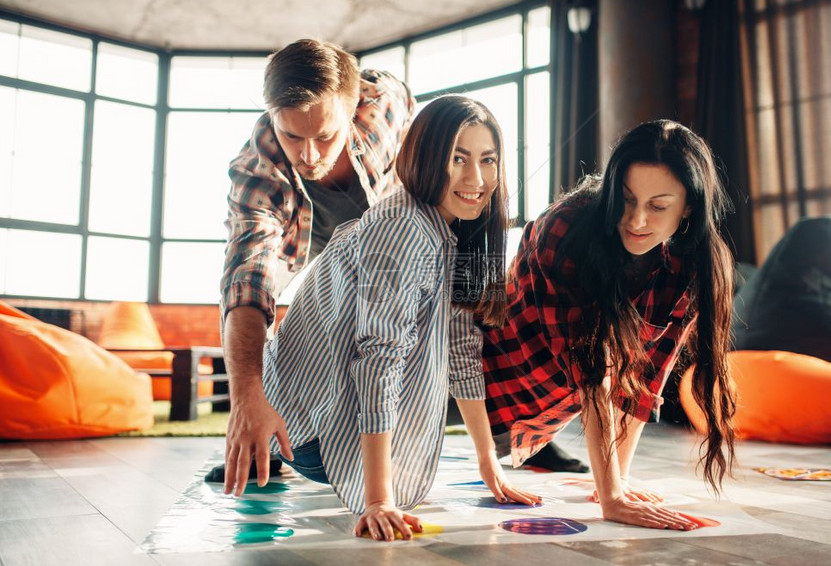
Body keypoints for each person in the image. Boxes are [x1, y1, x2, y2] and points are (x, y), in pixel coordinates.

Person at [254, 95, 541, 540]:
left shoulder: (458, 228)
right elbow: (378, 361)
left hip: (316, 417)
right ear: (426, 158)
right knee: (397, 354)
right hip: (307, 434)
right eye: (457, 159)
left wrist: (490, 464)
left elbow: (462, 348)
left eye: (488, 160)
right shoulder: (403, 227)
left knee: (442, 345)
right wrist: (377, 500)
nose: (476, 178)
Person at [482, 120, 737, 531]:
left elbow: (645, 379)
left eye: (658, 206)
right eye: (625, 199)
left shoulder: (694, 264)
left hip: (538, 423)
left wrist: (614, 481)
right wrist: (613, 497)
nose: (636, 220)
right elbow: (591, 372)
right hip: (476, 389)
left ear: (688, 206)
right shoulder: (565, 228)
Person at [217, 39, 414, 490]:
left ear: (352, 108)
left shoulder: (384, 104)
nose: (309, 155)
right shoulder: (256, 170)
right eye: (292, 136)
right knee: (239, 297)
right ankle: (250, 434)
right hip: (295, 234)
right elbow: (248, 279)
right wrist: (246, 394)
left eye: (325, 135)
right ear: (271, 117)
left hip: (375, 222)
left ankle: (514, 435)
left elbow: (411, 110)